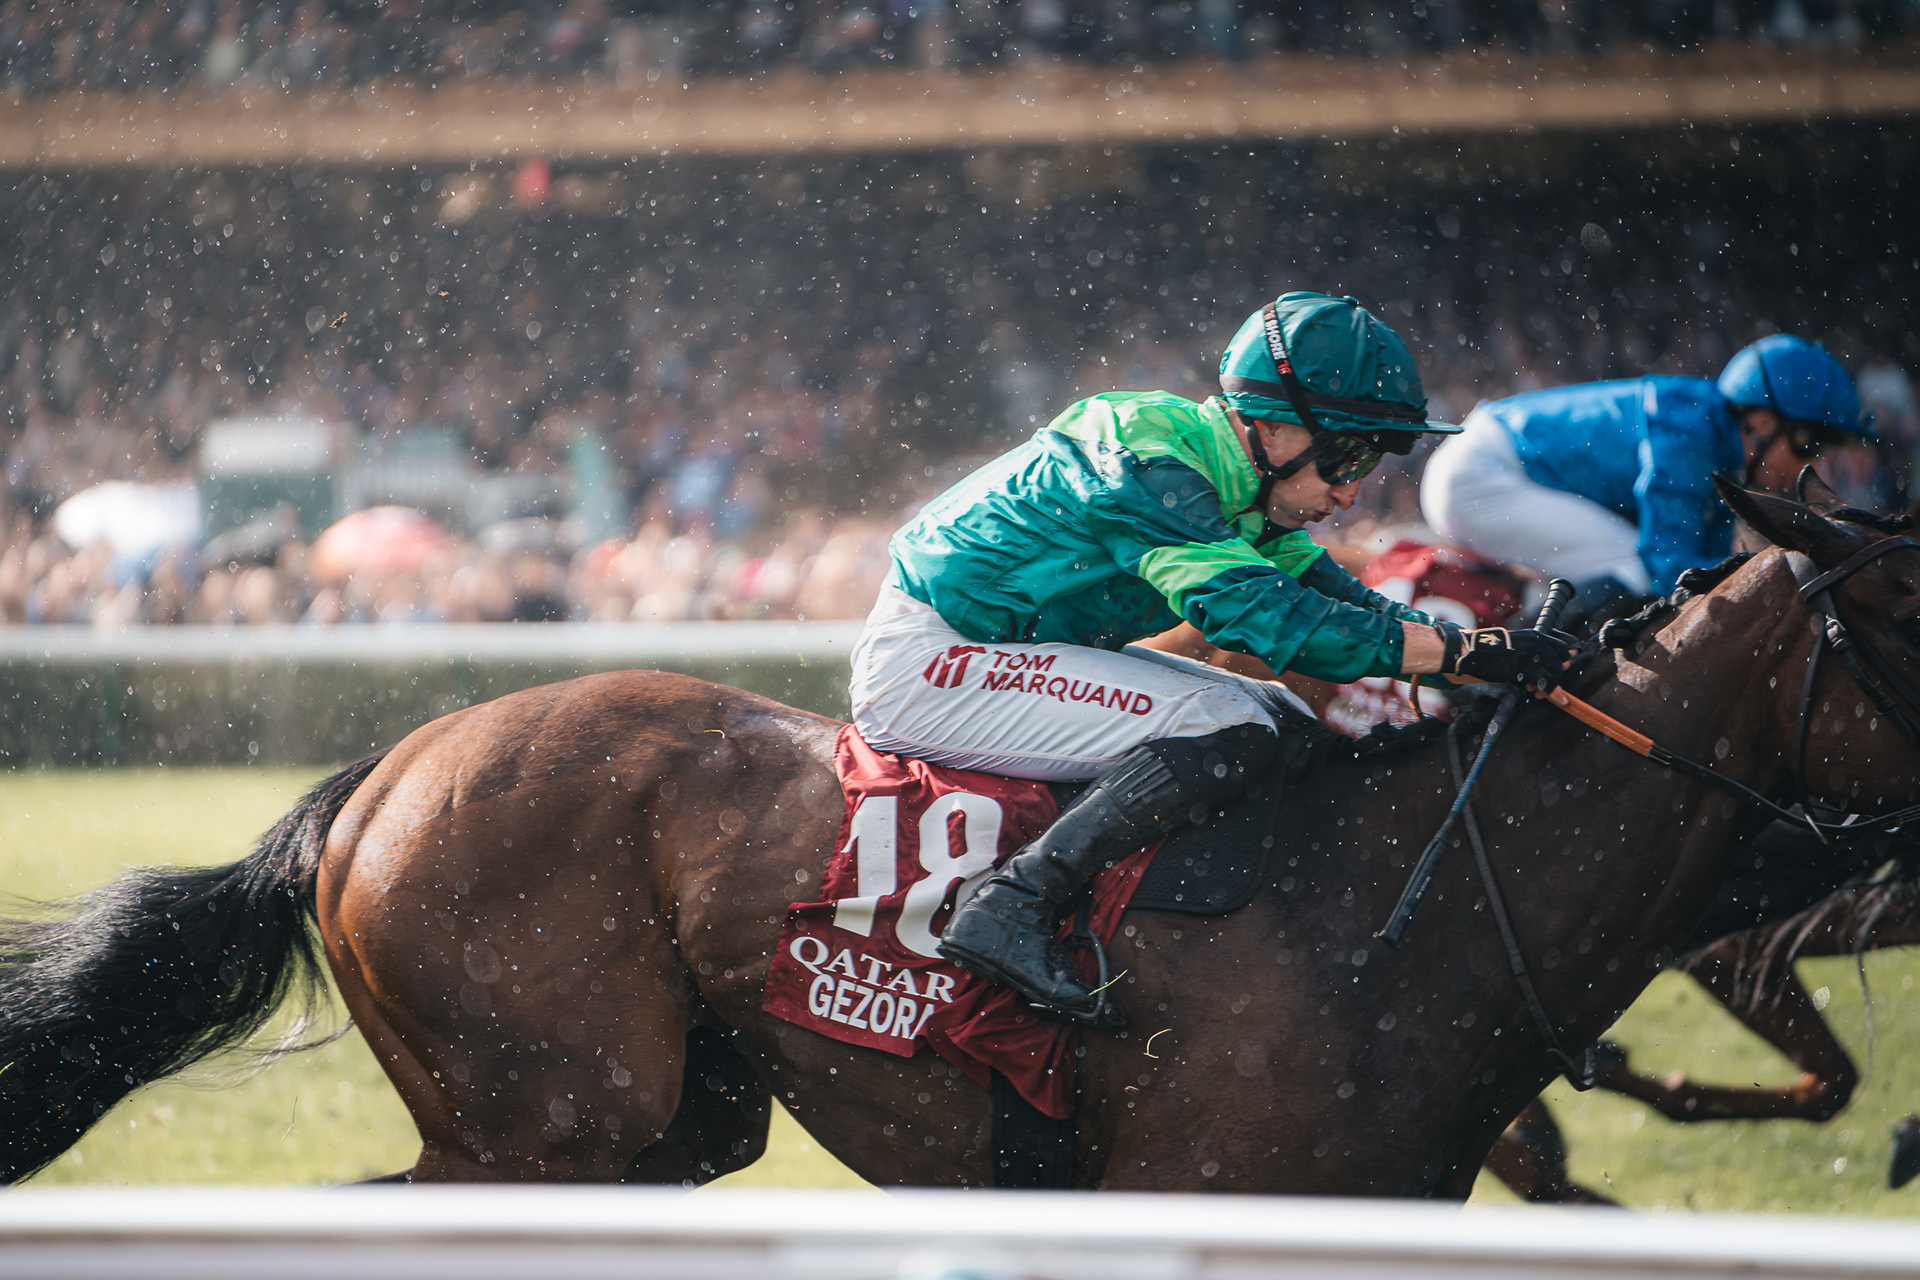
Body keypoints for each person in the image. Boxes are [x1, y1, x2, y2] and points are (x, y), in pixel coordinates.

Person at [850, 292, 1575, 1029]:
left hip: (1005, 655)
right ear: (1275, 425)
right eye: (1346, 456)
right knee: (1226, 724)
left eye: (1372, 461)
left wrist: (1502, 652)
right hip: (933, 663)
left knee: (1285, 720)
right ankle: (1011, 905)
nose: (1352, 490)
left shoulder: (1240, 490)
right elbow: (1263, 617)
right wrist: (1462, 648)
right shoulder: (1150, 459)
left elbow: (1350, 605)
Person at [1419, 335, 1870, 610]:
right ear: (1763, 421)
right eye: (1809, 443)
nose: (1813, 464)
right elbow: (1669, 568)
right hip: (1479, 473)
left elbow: (1713, 570)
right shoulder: (1688, 427)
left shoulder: (1715, 436)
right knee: (1634, 570)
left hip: (1485, 465)